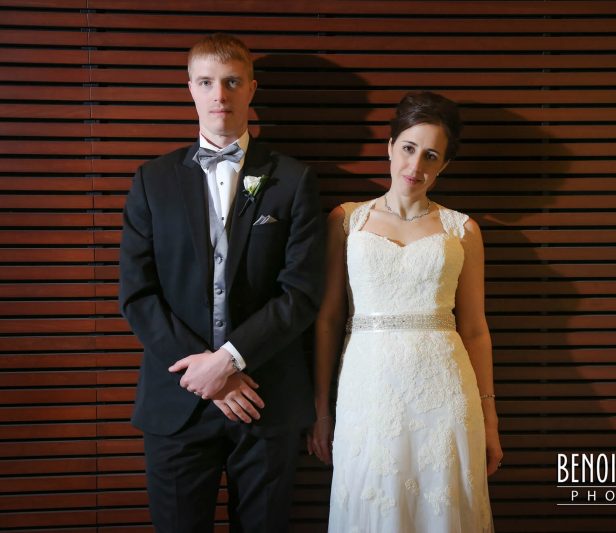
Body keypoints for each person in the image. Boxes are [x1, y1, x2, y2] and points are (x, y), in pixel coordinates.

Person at [118, 33, 324, 532]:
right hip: (176, 403)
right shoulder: (152, 180)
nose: (220, 95)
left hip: (265, 397)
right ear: (190, 88)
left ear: (252, 88)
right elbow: (138, 294)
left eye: (232, 82)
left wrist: (229, 361)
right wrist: (204, 375)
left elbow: (301, 293)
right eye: (207, 82)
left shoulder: (293, 180)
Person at [308, 91, 503, 532]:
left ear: (444, 165)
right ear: (390, 147)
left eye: (431, 155)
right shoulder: (347, 220)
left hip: (445, 392)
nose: (416, 166)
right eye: (409, 149)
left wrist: (490, 419)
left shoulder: (462, 229)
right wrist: (322, 412)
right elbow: (327, 319)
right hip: (368, 390)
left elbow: (474, 329)